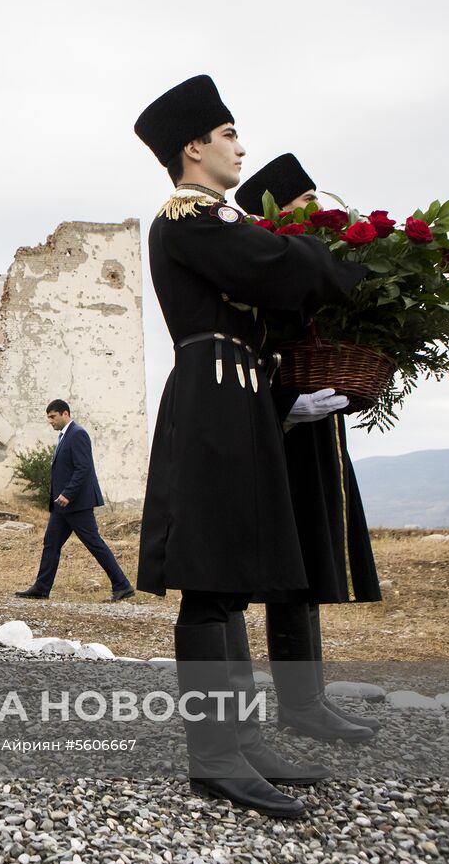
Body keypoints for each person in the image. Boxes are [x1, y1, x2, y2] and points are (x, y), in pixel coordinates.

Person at [133, 75, 366, 817]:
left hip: (239, 397)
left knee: (231, 576)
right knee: (210, 580)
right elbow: (276, 267)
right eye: (229, 134)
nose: (241, 147)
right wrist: (350, 264)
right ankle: (214, 756)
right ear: (193, 147)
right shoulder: (190, 217)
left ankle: (241, 740)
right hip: (212, 398)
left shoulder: (217, 218)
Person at [233, 154, 382, 742]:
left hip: (318, 430)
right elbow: (245, 355)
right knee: (289, 571)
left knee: (313, 562)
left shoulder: (309, 263)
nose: (318, 208)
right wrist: (283, 405)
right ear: (278, 211)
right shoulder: (256, 269)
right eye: (305, 201)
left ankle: (308, 700)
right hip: (281, 436)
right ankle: (298, 706)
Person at [15, 399, 133, 602]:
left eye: (53, 417)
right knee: (51, 543)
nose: (50, 421)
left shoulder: (78, 434)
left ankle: (122, 585)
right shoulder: (64, 436)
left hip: (77, 504)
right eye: (48, 417)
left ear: (65, 414)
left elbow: (83, 468)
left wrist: (68, 494)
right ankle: (41, 588)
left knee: (94, 543)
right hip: (62, 507)